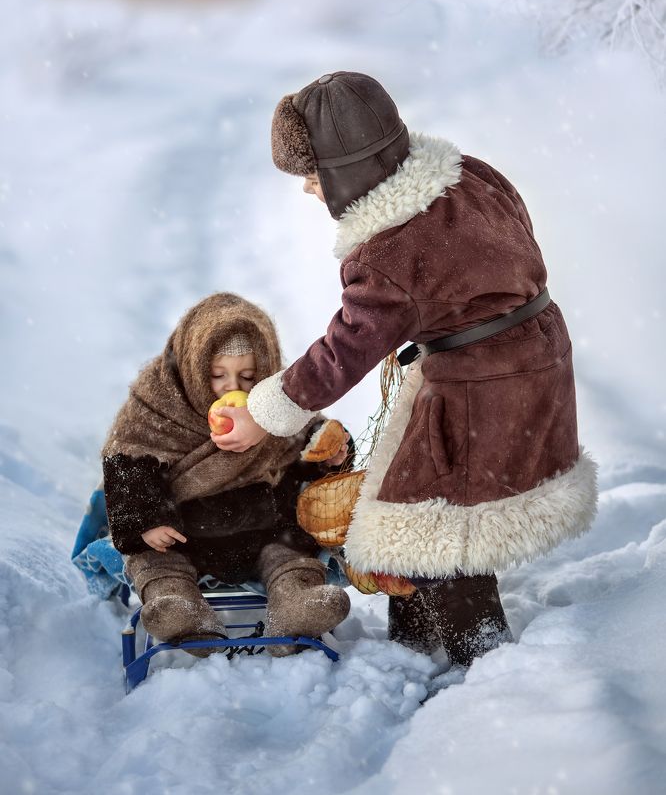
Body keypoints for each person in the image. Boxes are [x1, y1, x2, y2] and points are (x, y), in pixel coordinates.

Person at [212, 70, 598, 668]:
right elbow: (499, 248)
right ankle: (416, 647)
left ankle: (487, 665)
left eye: (314, 175)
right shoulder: (469, 174)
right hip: (534, 352)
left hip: (484, 383)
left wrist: (266, 411)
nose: (309, 190)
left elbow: (344, 350)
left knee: (436, 524)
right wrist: (458, 312)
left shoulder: (387, 251)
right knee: (425, 504)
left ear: (347, 169)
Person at [102, 292, 351, 654]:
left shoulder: (274, 403)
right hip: (184, 534)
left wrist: (331, 455)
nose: (232, 387)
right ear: (192, 366)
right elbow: (127, 461)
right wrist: (148, 520)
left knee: (295, 552)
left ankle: (295, 604)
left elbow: (307, 440)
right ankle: (179, 610)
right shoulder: (158, 403)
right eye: (218, 375)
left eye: (248, 376)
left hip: (266, 530)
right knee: (154, 559)